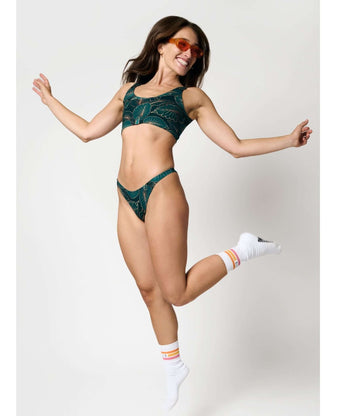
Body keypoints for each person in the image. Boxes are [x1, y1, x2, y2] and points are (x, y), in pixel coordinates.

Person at [32, 15, 312, 412]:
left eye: (196, 50)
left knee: (176, 292)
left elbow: (234, 146)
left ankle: (244, 249)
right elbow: (88, 131)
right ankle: (173, 367)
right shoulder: (129, 91)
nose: (189, 53)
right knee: (150, 291)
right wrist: (49, 100)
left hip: (162, 191)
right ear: (161, 44)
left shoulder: (191, 98)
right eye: (183, 44)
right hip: (125, 197)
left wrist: (288, 140)